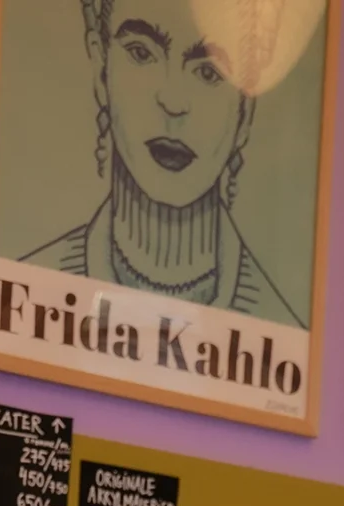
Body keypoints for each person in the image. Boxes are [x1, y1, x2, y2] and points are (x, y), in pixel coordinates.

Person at [27, 0, 301, 323]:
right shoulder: (28, 297)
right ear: (102, 71)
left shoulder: (278, 327)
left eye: (209, 71)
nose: (173, 101)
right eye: (142, 53)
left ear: (245, 112)